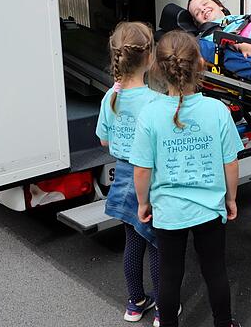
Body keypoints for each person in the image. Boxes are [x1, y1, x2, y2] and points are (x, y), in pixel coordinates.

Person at [130, 30, 244, 327]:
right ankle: (224, 323)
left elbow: (142, 170)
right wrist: (230, 198)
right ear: (200, 65)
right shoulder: (217, 110)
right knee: (215, 270)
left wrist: (143, 203)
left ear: (156, 67)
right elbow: (230, 162)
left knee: (170, 274)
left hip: (168, 211)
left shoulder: (150, 114)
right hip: (209, 208)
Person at [95, 22, 161, 324]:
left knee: (133, 243)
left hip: (122, 178)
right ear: (149, 57)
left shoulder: (111, 96)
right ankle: (164, 306)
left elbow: (104, 140)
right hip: (152, 181)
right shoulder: (156, 101)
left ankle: (135, 303)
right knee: (159, 245)